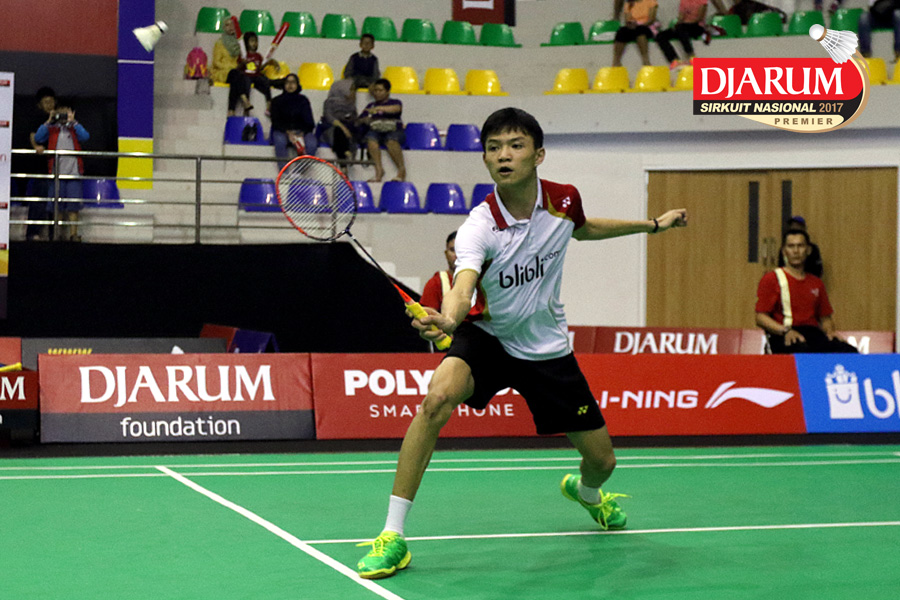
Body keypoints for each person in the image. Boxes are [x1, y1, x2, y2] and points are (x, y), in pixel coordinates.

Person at [355, 107, 688, 580]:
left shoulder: (563, 201)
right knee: (436, 400)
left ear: (538, 155)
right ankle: (392, 534)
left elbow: (584, 227)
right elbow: (463, 285)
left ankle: (586, 493)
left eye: (515, 145)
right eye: (493, 148)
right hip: (489, 337)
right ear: (485, 159)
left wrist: (652, 225)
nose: (504, 155)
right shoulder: (479, 226)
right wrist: (447, 318)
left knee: (602, 461)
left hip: (546, 349)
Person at [756, 229, 857, 354]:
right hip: (784, 334)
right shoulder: (772, 278)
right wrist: (785, 331)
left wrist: (830, 332)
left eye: (800, 246)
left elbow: (825, 318)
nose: (796, 251)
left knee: (848, 351)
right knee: (802, 351)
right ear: (784, 251)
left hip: (813, 334)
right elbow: (760, 317)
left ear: (808, 250)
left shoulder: (816, 283)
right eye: (791, 246)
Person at [32, 88, 89, 242]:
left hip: (73, 173)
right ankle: (57, 234)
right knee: (56, 205)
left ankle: (73, 234)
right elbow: (38, 137)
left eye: (66, 112)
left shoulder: (74, 128)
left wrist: (74, 122)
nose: (63, 114)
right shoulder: (52, 128)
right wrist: (49, 121)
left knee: (73, 205)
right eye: (61, 111)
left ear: (72, 112)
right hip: (56, 173)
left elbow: (85, 137)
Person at [655, 0, 729, 69]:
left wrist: (683, 24)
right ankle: (674, 60)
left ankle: (691, 55)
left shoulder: (702, 1)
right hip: (683, 27)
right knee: (660, 36)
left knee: (681, 28)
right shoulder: (684, 1)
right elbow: (681, 17)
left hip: (697, 26)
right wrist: (676, 25)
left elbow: (700, 18)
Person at [358, 78, 406, 182]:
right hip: (376, 131)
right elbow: (361, 119)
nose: (377, 93)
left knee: (391, 140)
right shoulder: (370, 105)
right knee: (371, 140)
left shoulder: (395, 102)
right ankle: (379, 171)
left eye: (380, 90)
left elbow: (397, 109)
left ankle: (401, 171)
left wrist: (379, 109)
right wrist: (366, 119)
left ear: (387, 91)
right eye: (375, 90)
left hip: (393, 130)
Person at [270, 74, 317, 169]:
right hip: (282, 131)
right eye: (287, 82)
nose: (290, 85)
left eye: (293, 82)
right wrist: (288, 133)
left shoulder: (303, 100)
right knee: (280, 141)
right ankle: (284, 172)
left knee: (312, 143)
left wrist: (301, 134)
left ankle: (301, 171)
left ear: (297, 84)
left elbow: (309, 121)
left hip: (301, 131)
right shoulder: (276, 101)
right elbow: (275, 121)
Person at [226, 32, 276, 116]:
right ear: (246, 43)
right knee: (245, 82)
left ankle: (269, 104)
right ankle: (246, 106)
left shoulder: (258, 56)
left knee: (265, 81)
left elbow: (259, 68)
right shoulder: (243, 55)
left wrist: (268, 63)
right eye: (252, 41)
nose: (254, 43)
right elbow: (238, 69)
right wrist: (242, 63)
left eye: (256, 41)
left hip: (256, 76)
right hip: (246, 76)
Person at [320, 78, 358, 163]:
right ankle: (345, 158)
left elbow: (354, 119)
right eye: (351, 90)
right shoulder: (330, 102)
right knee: (339, 132)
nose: (353, 93)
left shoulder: (351, 105)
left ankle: (345, 161)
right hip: (332, 128)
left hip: (349, 129)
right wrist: (343, 128)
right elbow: (329, 117)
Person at [612, 0, 658, 67]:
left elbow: (651, 19)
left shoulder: (651, 1)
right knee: (621, 31)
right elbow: (627, 19)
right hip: (634, 26)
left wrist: (640, 24)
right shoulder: (628, 4)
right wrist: (631, 24)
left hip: (647, 26)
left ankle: (646, 60)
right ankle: (616, 62)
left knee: (640, 30)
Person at [420, 232, 459, 312]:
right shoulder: (435, 283)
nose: (457, 255)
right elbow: (427, 318)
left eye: (463, 250)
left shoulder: (484, 283)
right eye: (453, 250)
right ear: (446, 254)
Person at [210, 18, 240, 86]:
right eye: (227, 25)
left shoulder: (239, 43)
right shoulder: (219, 43)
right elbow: (216, 62)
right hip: (223, 71)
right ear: (223, 27)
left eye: (232, 24)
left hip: (236, 69)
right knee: (233, 75)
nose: (231, 27)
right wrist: (229, 67)